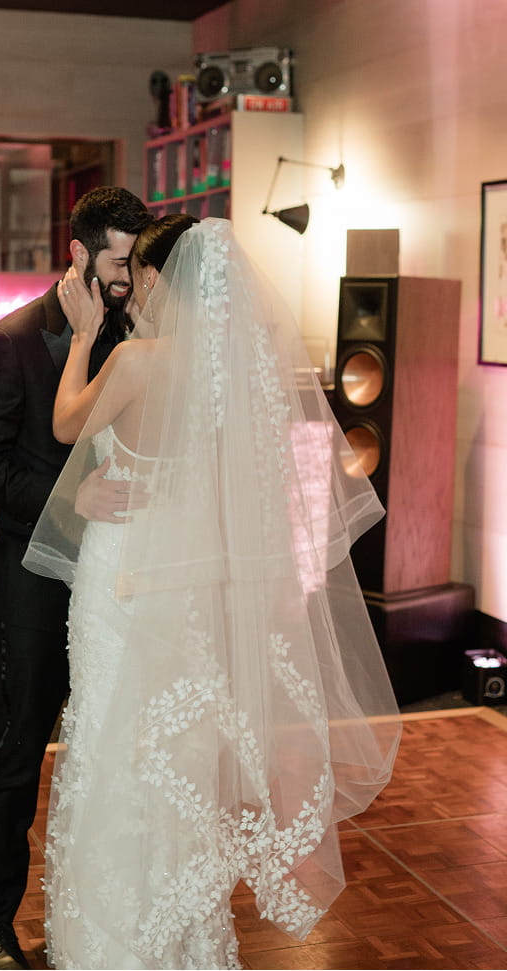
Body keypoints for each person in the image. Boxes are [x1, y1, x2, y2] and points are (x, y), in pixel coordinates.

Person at [23, 215, 402, 969]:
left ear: (166, 280)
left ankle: (115, 939)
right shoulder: (235, 374)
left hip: (123, 568)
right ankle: (181, 934)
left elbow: (68, 424)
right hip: (191, 581)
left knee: (111, 740)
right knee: (178, 750)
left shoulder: (134, 358)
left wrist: (83, 336)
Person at [0, 186, 154, 970]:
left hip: (117, 583)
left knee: (111, 747)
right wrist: (75, 498)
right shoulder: (7, 341)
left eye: (137, 264)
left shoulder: (141, 333)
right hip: (35, 581)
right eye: (116, 262)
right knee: (19, 747)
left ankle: (94, 921)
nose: (128, 279)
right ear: (78, 253)